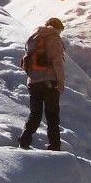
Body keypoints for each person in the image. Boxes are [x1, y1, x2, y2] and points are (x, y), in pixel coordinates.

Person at [19, 17, 66, 151]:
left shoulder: (34, 37)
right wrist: (61, 82)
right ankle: (54, 146)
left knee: (35, 113)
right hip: (49, 82)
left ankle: (24, 139)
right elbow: (57, 62)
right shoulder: (54, 38)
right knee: (52, 115)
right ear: (58, 28)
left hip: (33, 82)